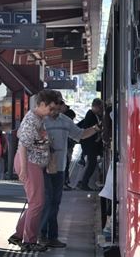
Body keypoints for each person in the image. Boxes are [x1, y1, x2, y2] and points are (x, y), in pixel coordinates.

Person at [39, 96, 100, 248]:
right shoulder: (40, 120)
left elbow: (79, 134)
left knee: (55, 202)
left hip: (59, 168)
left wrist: (96, 129)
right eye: (54, 106)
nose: (56, 109)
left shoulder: (65, 121)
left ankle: (52, 237)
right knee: (46, 202)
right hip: (42, 167)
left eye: (59, 106)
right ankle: (41, 234)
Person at [8, 89, 61, 252]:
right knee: (37, 203)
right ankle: (28, 240)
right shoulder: (32, 120)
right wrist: (23, 170)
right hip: (29, 163)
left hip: (34, 164)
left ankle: (19, 235)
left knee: (35, 203)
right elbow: (23, 146)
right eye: (50, 108)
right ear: (42, 104)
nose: (53, 112)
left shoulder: (39, 119)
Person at [75, 99, 105, 190]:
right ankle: (83, 183)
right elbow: (88, 129)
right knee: (91, 163)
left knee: (90, 163)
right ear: (95, 107)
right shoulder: (90, 115)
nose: (101, 110)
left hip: (91, 144)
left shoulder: (93, 114)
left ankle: (83, 182)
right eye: (100, 108)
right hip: (90, 144)